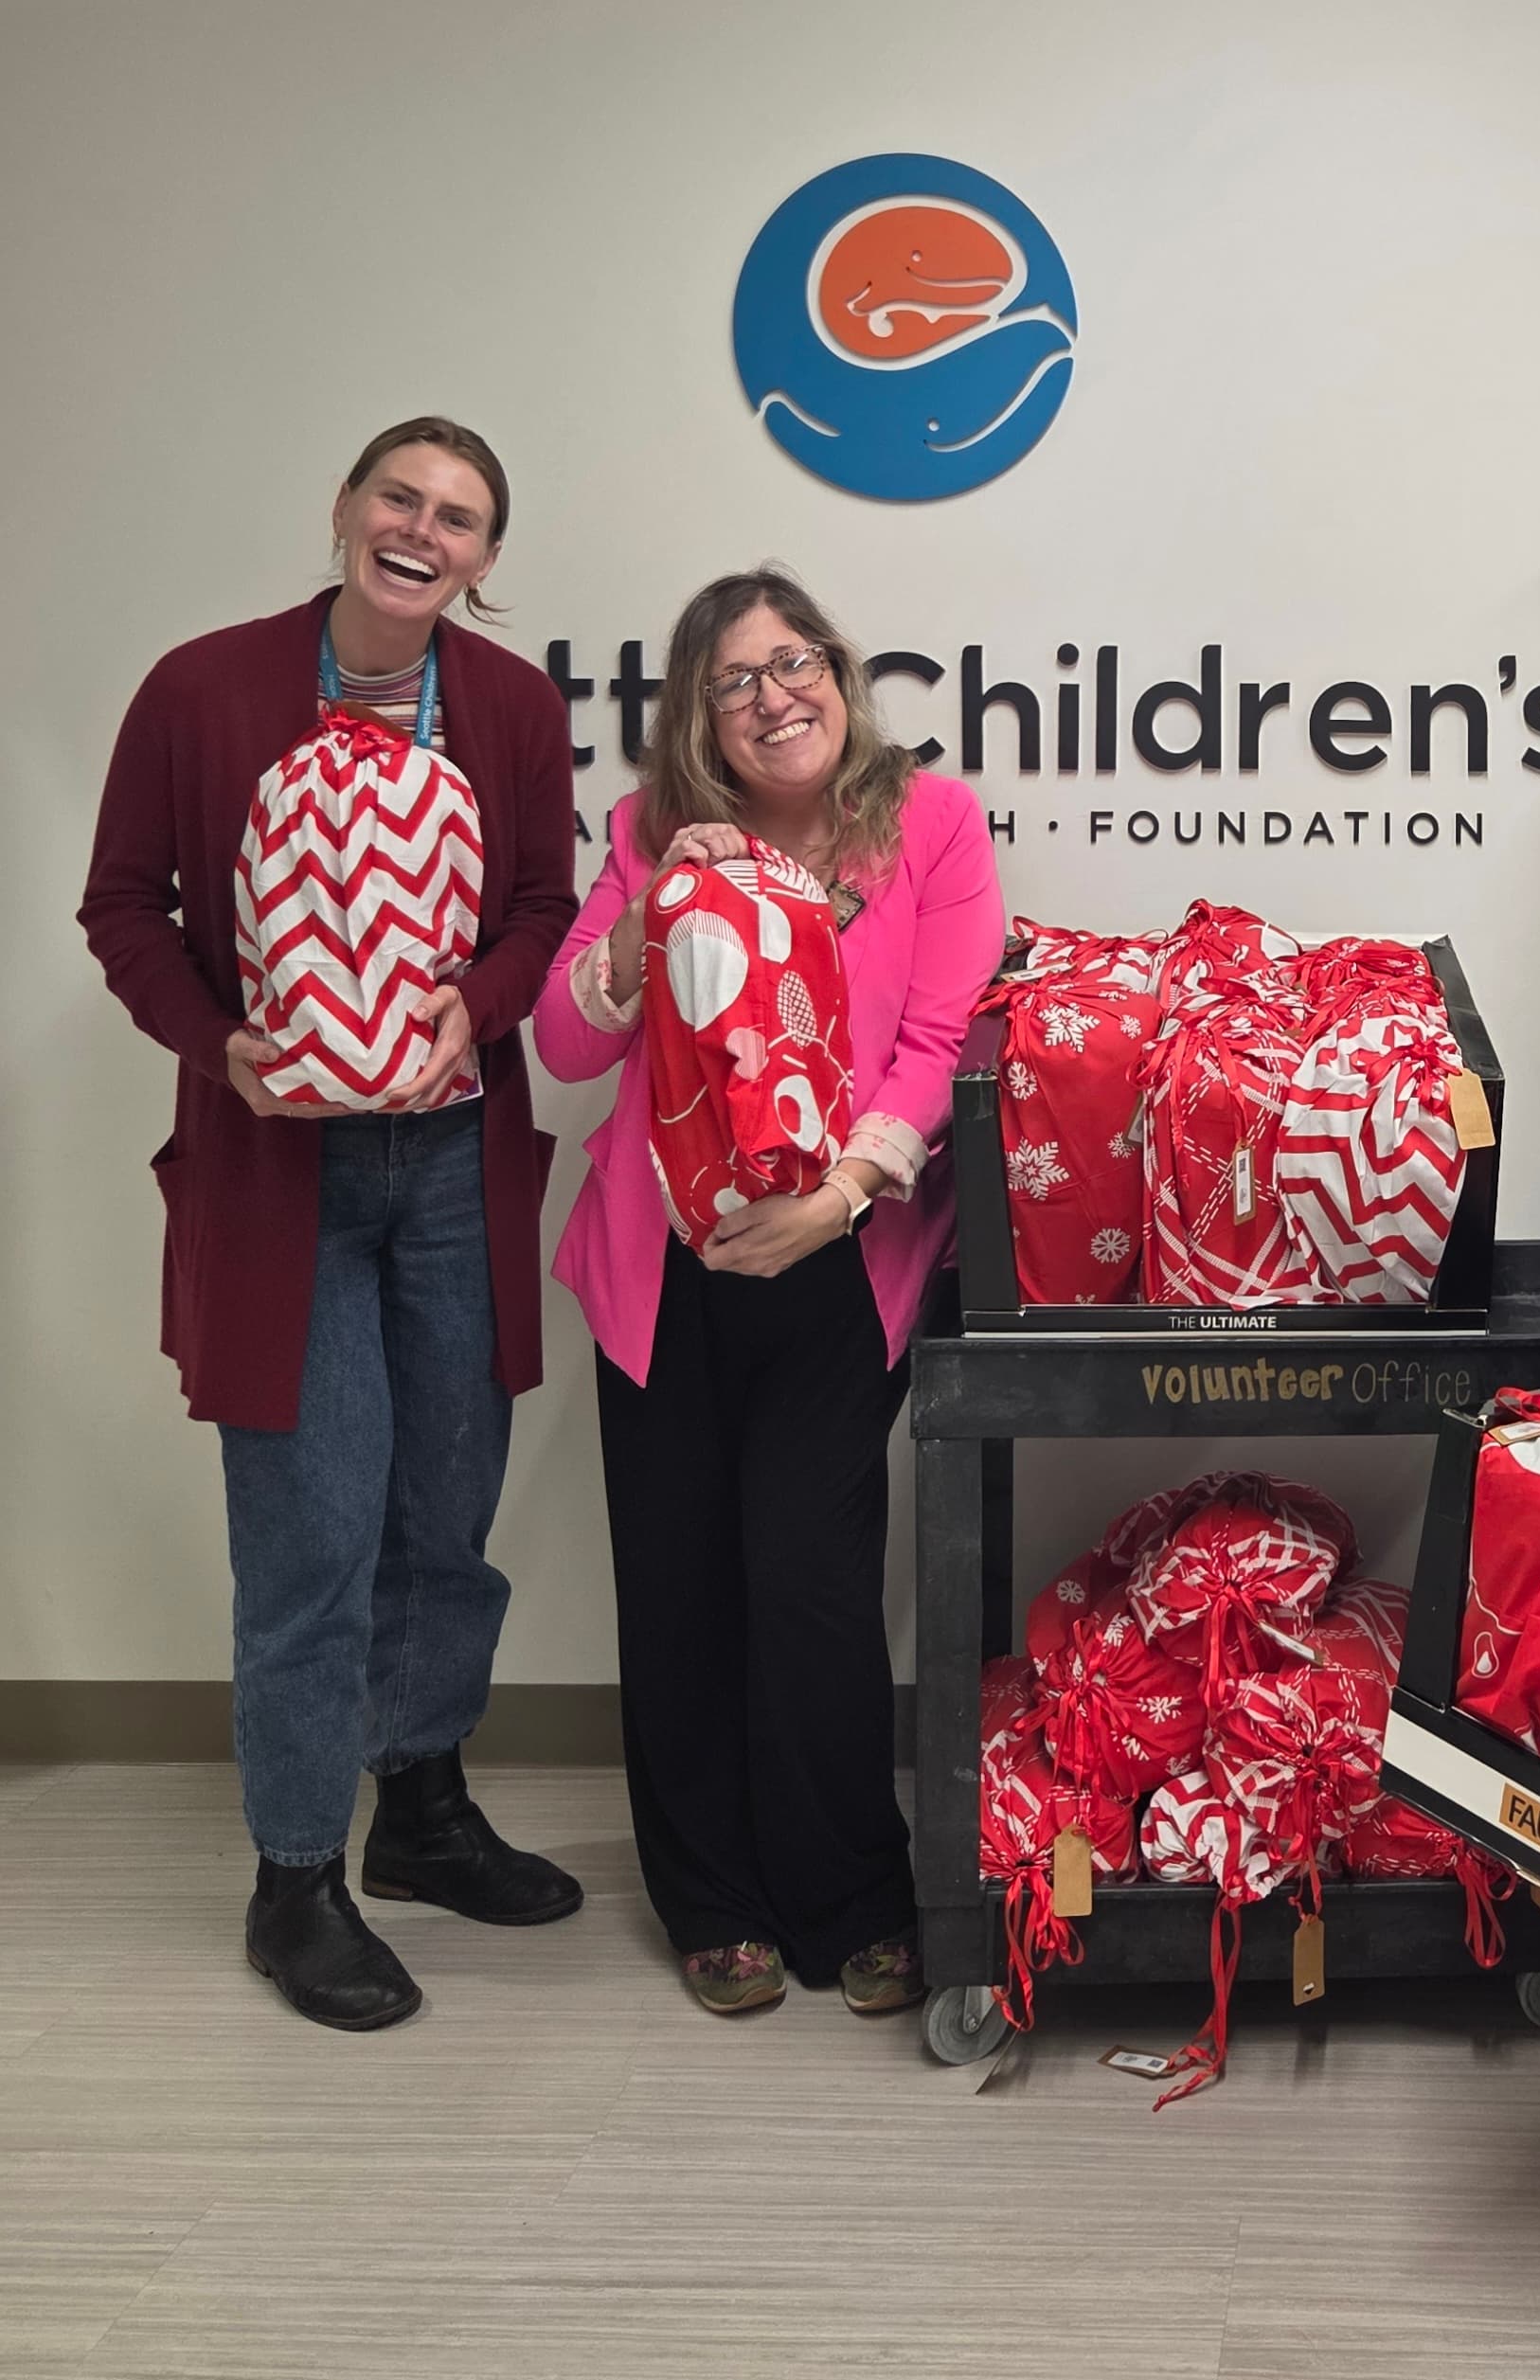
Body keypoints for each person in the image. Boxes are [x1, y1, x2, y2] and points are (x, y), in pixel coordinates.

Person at [77, 417, 583, 2031]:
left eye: (460, 516)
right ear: (349, 511)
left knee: (444, 1515)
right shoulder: (204, 687)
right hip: (279, 1172)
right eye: (400, 498)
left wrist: (475, 1012)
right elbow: (124, 905)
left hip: (447, 1168)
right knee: (308, 1533)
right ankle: (296, 1873)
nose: (422, 530)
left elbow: (540, 915)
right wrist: (222, 1049)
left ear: (486, 562)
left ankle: (421, 1808)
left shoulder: (507, 705)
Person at [534, 568, 1005, 2019]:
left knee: (808, 1583)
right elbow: (564, 1039)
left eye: (792, 662)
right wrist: (647, 913)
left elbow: (942, 1039)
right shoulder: (646, 832)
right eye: (734, 681)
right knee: (678, 1587)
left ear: (840, 675)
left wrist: (843, 1195)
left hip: (836, 1251)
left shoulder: (930, 823)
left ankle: (849, 1895)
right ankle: (713, 1900)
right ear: (697, 717)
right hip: (662, 1268)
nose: (772, 696)